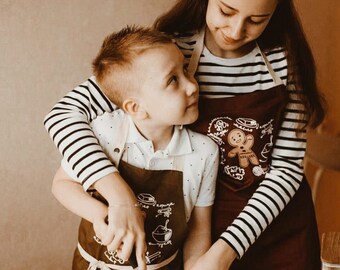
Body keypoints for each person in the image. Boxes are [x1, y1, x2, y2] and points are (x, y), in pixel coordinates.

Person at [44, 0, 326, 269]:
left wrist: (224, 252)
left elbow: (287, 170)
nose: (236, 30)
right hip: (200, 231)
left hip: (274, 228)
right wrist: (119, 197)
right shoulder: (169, 53)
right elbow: (62, 116)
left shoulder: (286, 61)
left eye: (256, 19)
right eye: (226, 11)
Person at [50, 25, 219, 270]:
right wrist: (99, 214)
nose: (192, 85)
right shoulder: (104, 132)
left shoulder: (204, 152)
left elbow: (199, 228)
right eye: (173, 80)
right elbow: (62, 185)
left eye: (185, 69)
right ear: (135, 107)